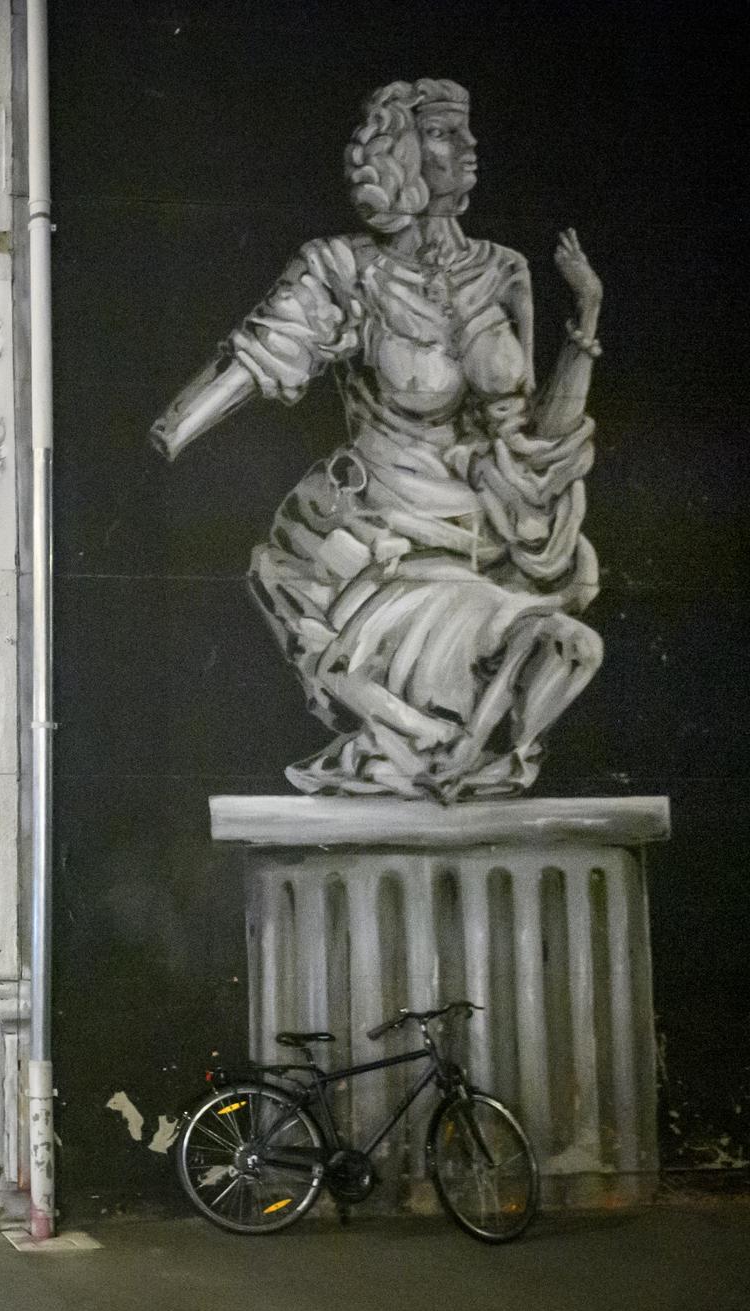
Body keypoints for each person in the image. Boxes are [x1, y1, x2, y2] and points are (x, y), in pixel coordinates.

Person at [150, 79, 605, 800]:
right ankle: (429, 736)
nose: (469, 146)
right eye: (446, 134)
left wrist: (586, 321)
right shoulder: (348, 269)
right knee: (443, 678)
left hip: (485, 537)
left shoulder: (505, 270)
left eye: (467, 131)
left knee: (553, 652)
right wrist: (169, 435)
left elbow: (530, 438)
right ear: (400, 152)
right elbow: (265, 349)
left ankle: (470, 757)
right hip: (382, 539)